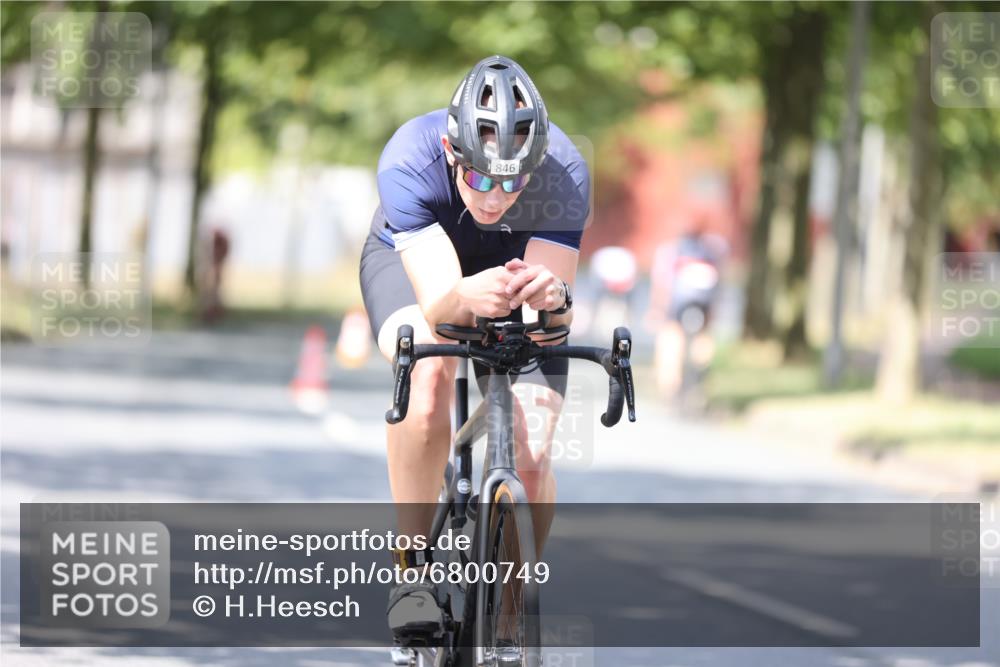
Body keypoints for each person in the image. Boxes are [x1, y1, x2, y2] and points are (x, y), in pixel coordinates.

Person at [357, 55, 589, 642]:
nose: (493, 198)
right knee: (430, 375)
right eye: (481, 177)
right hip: (421, 266)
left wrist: (553, 297)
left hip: (510, 273)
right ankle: (411, 570)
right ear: (452, 151)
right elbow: (440, 309)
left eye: (512, 182)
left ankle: (508, 610)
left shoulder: (564, 173)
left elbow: (550, 328)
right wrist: (464, 294)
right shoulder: (410, 157)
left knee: (533, 451)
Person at [647, 214, 726, 401]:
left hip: (679, 301)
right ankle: (700, 375)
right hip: (704, 300)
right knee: (704, 334)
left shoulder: (671, 251)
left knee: (671, 333)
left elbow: (662, 283)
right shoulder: (711, 251)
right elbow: (719, 280)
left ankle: (669, 383)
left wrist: (657, 309)